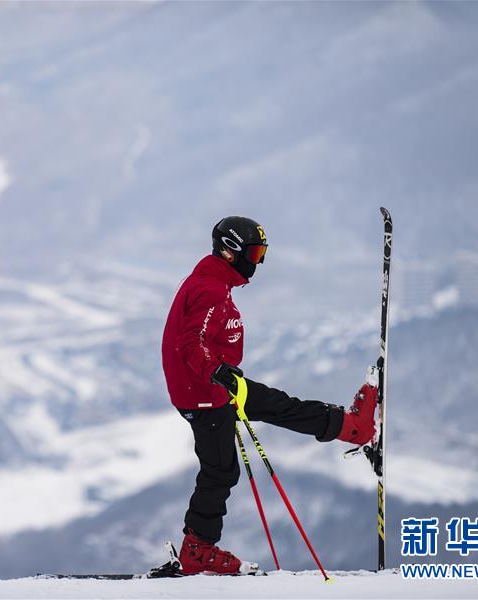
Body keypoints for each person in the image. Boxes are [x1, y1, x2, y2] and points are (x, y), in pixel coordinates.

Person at [161, 216, 378, 575]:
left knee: (277, 408)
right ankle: (197, 550)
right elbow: (191, 342)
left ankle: (352, 427)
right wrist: (215, 370)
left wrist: (219, 372)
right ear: (230, 252)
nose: (258, 263)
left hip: (214, 386)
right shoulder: (210, 289)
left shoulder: (214, 282)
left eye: (262, 254)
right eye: (254, 254)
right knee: (220, 470)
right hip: (205, 393)